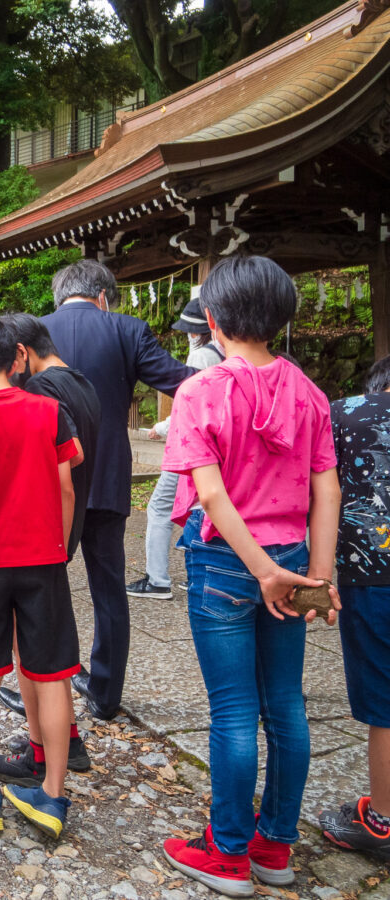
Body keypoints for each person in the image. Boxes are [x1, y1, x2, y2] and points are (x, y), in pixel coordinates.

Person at [159, 256, 340, 897]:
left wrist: (261, 571)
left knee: (234, 710)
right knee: (286, 705)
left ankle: (227, 852)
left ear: (212, 319)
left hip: (227, 564)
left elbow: (209, 495)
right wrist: (316, 574)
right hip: (293, 560)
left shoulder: (200, 392)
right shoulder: (310, 393)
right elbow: (326, 490)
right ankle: (275, 845)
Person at [41, 260, 196, 719]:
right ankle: (105, 693)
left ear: (59, 294)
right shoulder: (128, 330)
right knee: (108, 589)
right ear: (104, 294)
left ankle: (48, 682)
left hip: (49, 477)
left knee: (44, 584)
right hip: (107, 476)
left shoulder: (38, 331)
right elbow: (180, 382)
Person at [0, 313, 80, 842]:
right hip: (43, 558)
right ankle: (52, 794)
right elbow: (66, 487)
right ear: (17, 358)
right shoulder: (51, 412)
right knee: (51, 675)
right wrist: (58, 545)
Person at [0, 312, 99, 783]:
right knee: (47, 646)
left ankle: (44, 746)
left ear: (19, 353)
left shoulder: (38, 394)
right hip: (64, 530)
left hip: (40, 534)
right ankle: (60, 738)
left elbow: (51, 475)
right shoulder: (81, 383)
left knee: (33, 652)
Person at [319, 354, 390, 859]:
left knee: (384, 702)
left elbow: (324, 489)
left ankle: (382, 820)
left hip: (374, 575)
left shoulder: (346, 413)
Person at [127, 297, 226, 600]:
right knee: (206, 507)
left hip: (190, 446)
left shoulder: (201, 359)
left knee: (159, 507)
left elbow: (189, 406)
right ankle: (203, 572)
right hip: (219, 446)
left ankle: (157, 579)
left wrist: (161, 428)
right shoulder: (228, 354)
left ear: (198, 332)